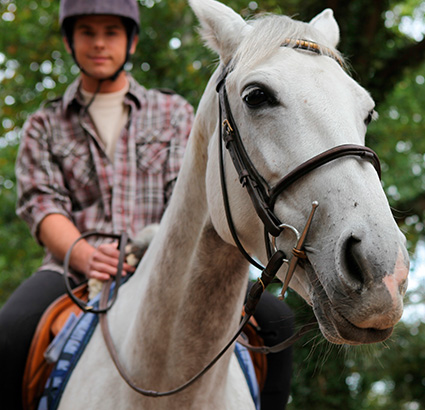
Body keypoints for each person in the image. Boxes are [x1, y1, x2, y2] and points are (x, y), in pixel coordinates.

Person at [0, 1, 293, 409]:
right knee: (9, 333)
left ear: (131, 40)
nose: (99, 43)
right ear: (70, 41)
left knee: (277, 321)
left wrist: (155, 251)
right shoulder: (44, 124)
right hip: (74, 268)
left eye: (111, 33)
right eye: (87, 32)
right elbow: (41, 203)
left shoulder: (171, 113)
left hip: (168, 260)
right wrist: (83, 254)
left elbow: (191, 195)